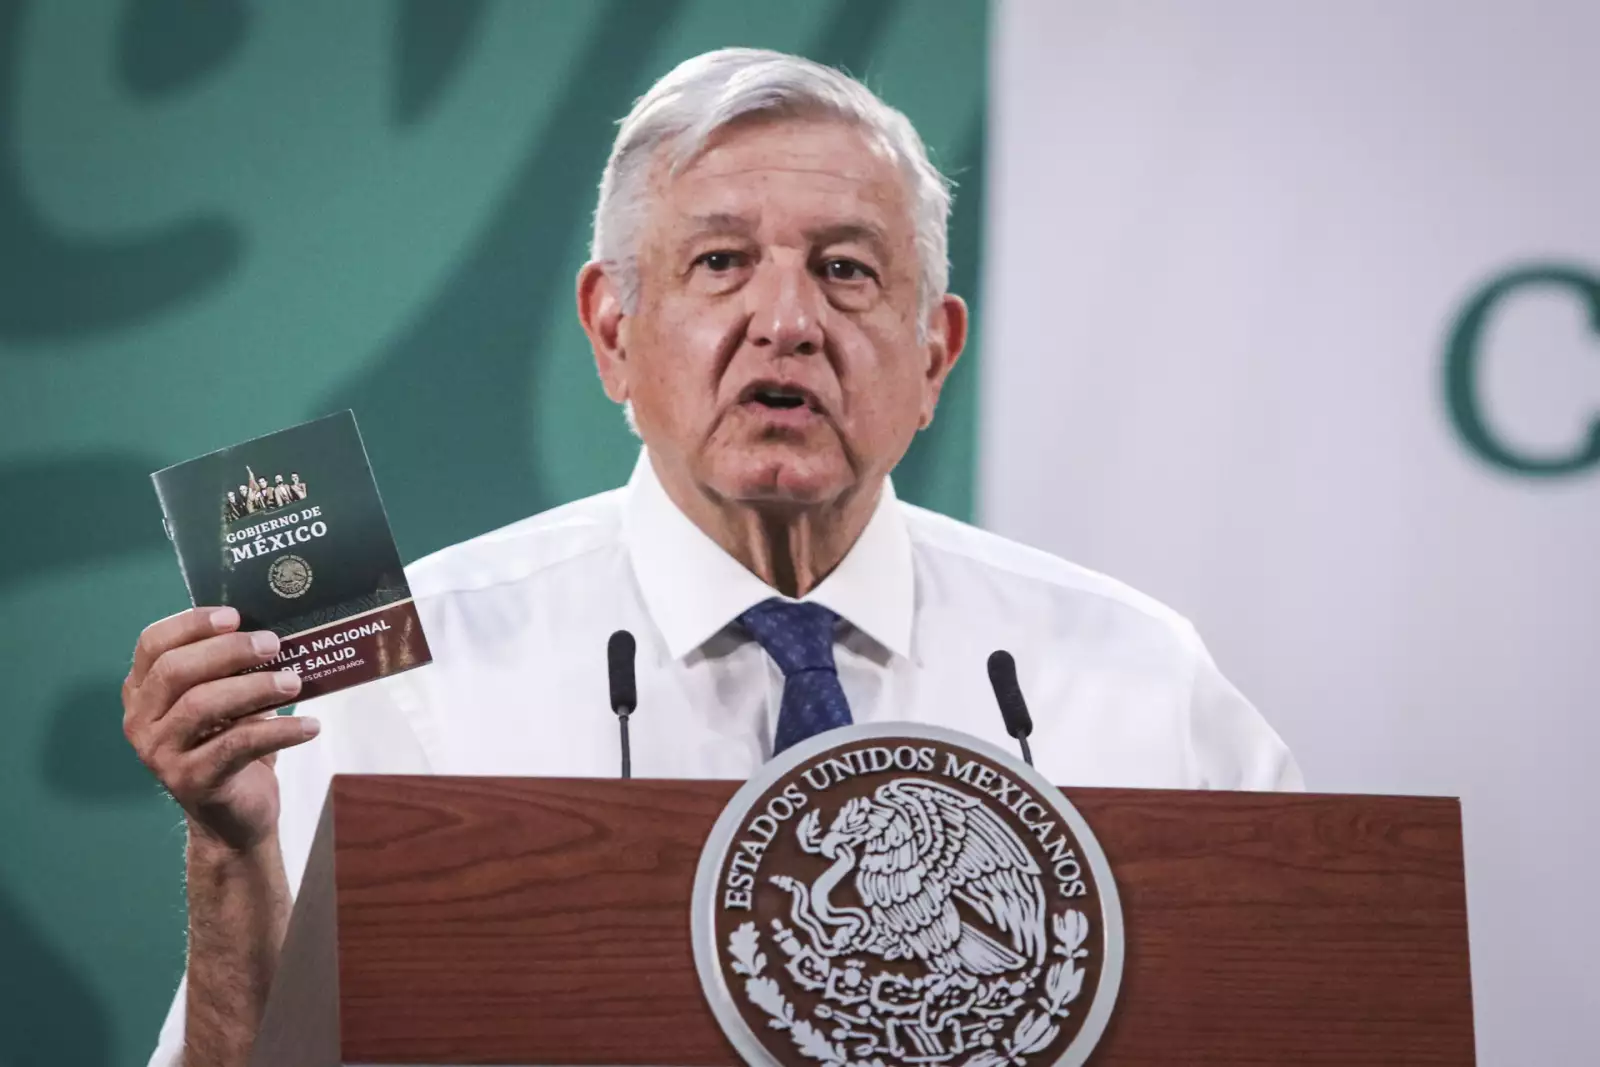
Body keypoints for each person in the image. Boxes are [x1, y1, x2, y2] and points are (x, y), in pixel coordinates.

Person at [123, 49, 1301, 1067]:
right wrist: (230, 849)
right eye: (721, 263)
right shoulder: (411, 665)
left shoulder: (1134, 675)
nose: (787, 319)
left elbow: (1318, 1007)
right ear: (613, 332)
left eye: (846, 268)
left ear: (934, 354)